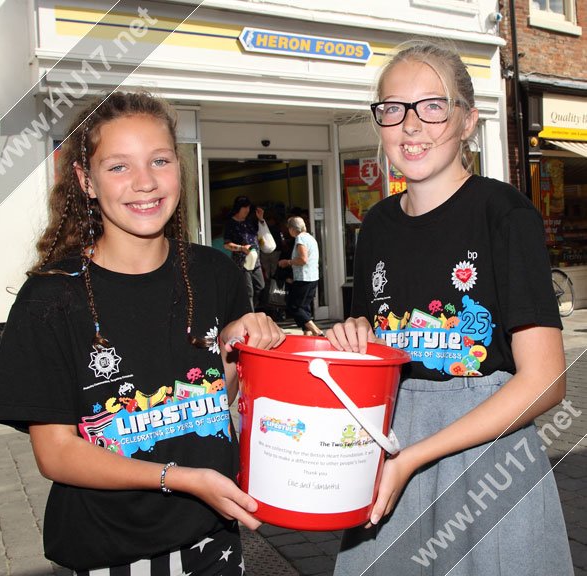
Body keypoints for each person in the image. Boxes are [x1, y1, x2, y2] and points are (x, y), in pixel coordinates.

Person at [0, 91, 285, 575]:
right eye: (118, 166)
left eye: (159, 160)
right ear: (85, 180)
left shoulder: (215, 274)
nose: (144, 182)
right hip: (112, 550)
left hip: (214, 541)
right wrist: (179, 478)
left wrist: (237, 352)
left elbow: (212, 403)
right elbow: (56, 453)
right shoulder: (51, 298)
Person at [326, 40, 573, 576]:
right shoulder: (376, 226)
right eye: (394, 108)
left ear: (467, 121)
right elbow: (379, 348)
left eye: (433, 106)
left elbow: (547, 379)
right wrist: (353, 339)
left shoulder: (504, 213)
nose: (411, 124)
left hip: (486, 459)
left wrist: (416, 456)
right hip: (391, 446)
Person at [278, 216, 322, 336]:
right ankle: (307, 333)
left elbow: (303, 259)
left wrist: (288, 262)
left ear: (292, 229)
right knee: (304, 306)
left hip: (304, 278)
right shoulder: (310, 237)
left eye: (289, 229)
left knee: (294, 306)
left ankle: (316, 330)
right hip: (312, 277)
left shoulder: (300, 238)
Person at [223, 196, 265, 311]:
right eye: (244, 207)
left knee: (260, 286)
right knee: (248, 291)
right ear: (238, 208)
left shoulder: (250, 221)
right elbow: (226, 244)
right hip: (242, 263)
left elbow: (261, 233)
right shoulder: (231, 223)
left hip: (256, 262)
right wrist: (241, 248)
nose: (247, 210)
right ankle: (250, 315)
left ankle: (250, 309)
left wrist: (261, 219)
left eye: (248, 207)